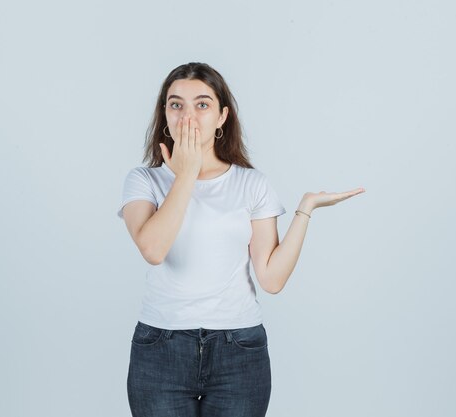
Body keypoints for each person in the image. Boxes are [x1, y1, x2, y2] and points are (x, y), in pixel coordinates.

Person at [117, 62, 365, 417]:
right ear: (165, 114)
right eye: (176, 104)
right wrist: (186, 173)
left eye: (202, 104)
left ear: (222, 117)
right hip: (161, 347)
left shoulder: (252, 183)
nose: (188, 115)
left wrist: (305, 208)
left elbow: (271, 279)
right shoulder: (143, 180)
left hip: (238, 350)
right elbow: (154, 250)